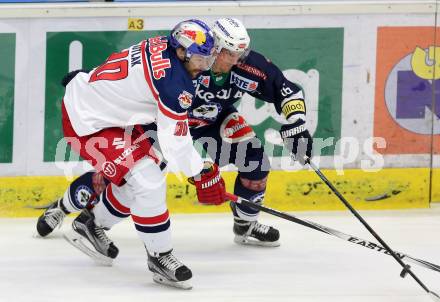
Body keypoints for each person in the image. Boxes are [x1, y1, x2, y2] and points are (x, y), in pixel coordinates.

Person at [37, 18, 312, 249]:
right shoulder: (188, 59)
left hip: (213, 119)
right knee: (128, 177)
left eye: (240, 53)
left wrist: (297, 123)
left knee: (255, 161)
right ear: (213, 46)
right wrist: (94, 80)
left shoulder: (248, 65)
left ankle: (246, 224)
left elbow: (286, 89)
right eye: (228, 52)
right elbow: (138, 76)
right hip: (164, 124)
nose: (235, 60)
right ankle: (64, 205)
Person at [45, 19, 227, 290]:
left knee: (143, 179)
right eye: (200, 59)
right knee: (147, 179)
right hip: (87, 121)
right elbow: (175, 140)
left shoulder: (164, 44)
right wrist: (200, 173)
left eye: (208, 58)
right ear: (181, 52)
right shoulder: (174, 83)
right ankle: (159, 256)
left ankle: (90, 224)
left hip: (109, 112)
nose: (205, 66)